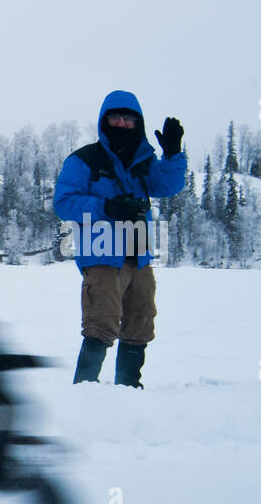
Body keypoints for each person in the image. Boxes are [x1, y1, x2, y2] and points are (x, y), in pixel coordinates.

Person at [54, 90, 185, 387]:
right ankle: (84, 391)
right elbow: (63, 202)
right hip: (102, 256)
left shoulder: (144, 160)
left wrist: (173, 155)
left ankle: (128, 389)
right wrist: (106, 207)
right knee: (101, 325)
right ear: (105, 121)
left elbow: (167, 185)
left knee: (140, 322)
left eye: (129, 119)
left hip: (138, 256)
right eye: (116, 118)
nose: (123, 124)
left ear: (137, 123)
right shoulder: (85, 160)